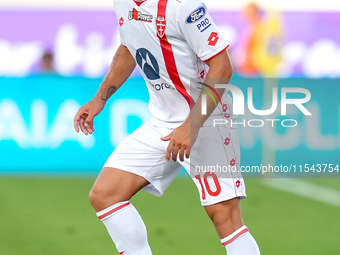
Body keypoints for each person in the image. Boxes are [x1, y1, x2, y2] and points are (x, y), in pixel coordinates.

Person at [74, 0, 261, 254]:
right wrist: (100, 98)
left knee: (224, 216)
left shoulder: (183, 7)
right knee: (105, 194)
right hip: (162, 121)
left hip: (205, 121)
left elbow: (222, 65)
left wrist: (191, 126)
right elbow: (130, 46)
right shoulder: (123, 3)